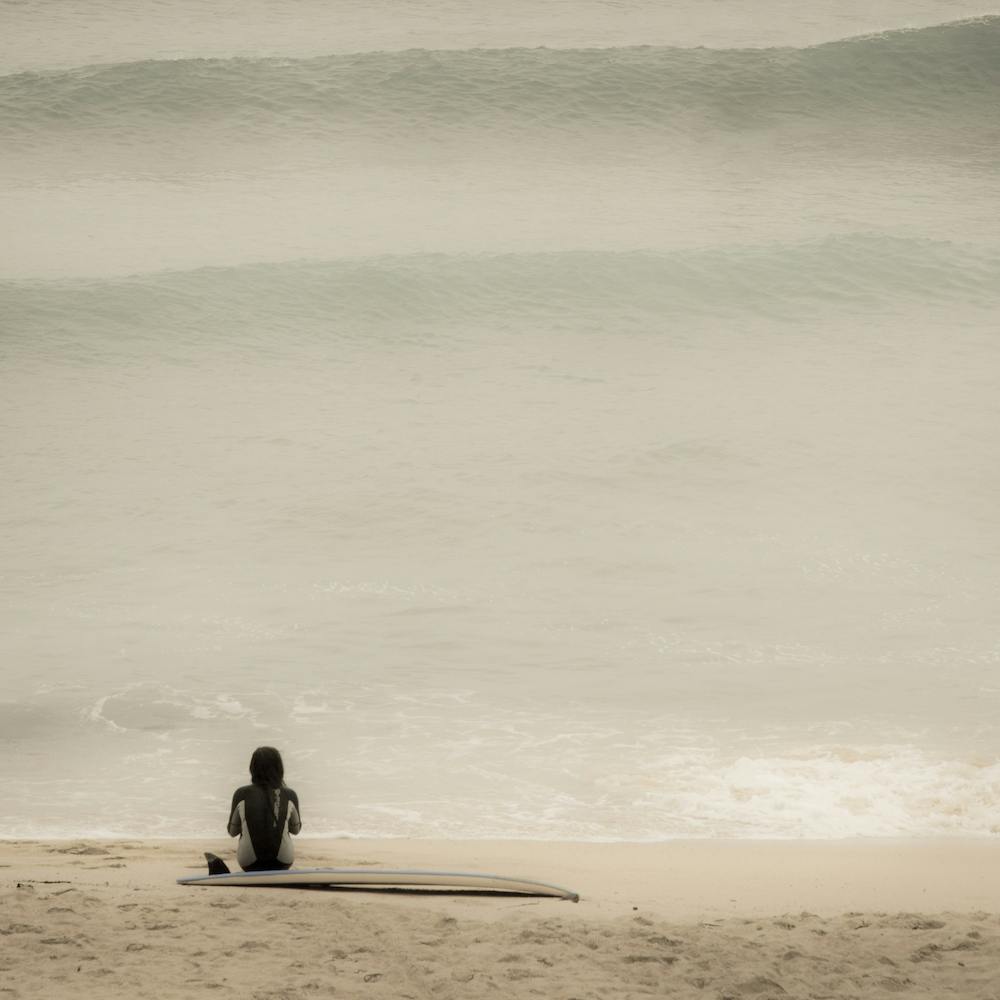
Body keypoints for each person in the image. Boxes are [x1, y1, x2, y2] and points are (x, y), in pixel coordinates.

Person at [205, 746, 302, 875]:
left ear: (252, 768)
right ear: (279, 768)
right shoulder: (290, 794)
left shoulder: (241, 793)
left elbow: (232, 832)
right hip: (283, 862)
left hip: (250, 863)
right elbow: (296, 830)